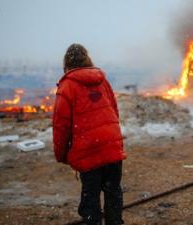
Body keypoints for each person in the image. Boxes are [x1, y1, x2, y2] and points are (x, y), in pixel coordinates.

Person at [53, 43, 126, 225]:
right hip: (111, 148)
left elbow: (61, 126)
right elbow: (114, 113)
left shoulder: (67, 87)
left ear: (66, 63)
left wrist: (62, 155)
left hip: (88, 151)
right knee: (113, 192)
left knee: (91, 199)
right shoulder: (103, 81)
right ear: (87, 59)